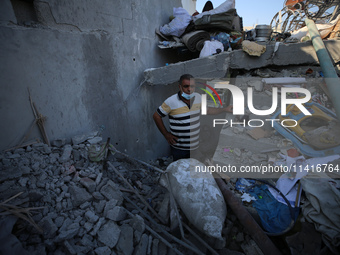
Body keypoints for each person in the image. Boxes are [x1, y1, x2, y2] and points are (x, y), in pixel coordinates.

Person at [153, 74, 233, 161]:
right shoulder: (171, 101)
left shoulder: (198, 97)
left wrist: (225, 109)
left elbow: (208, 110)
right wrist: (166, 134)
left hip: (194, 146)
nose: (189, 89)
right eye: (186, 86)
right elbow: (156, 116)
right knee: (180, 171)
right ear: (180, 87)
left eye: (192, 86)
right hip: (179, 148)